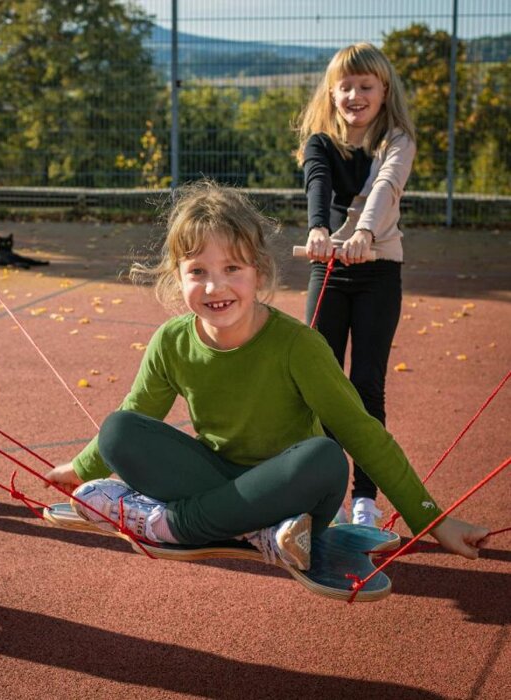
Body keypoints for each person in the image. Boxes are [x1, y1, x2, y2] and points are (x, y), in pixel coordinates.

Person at [44, 180, 488, 571]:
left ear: (258, 271)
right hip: (219, 479)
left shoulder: (298, 345)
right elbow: (138, 412)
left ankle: (174, 525)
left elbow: (363, 434)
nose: (215, 287)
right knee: (120, 430)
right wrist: (80, 469)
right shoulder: (171, 341)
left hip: (291, 490)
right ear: (177, 278)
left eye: (232, 269)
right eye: (197, 272)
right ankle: (255, 532)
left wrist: (433, 521)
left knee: (326, 458)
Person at [294, 43, 416, 527]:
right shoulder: (320, 141)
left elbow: (387, 185)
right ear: (331, 91)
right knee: (318, 382)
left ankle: (364, 496)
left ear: (384, 92)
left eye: (365, 86)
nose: (354, 94)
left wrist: (364, 233)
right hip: (329, 270)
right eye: (345, 86)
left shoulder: (397, 139)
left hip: (377, 270)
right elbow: (317, 181)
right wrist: (318, 228)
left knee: (366, 384)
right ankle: (323, 492)